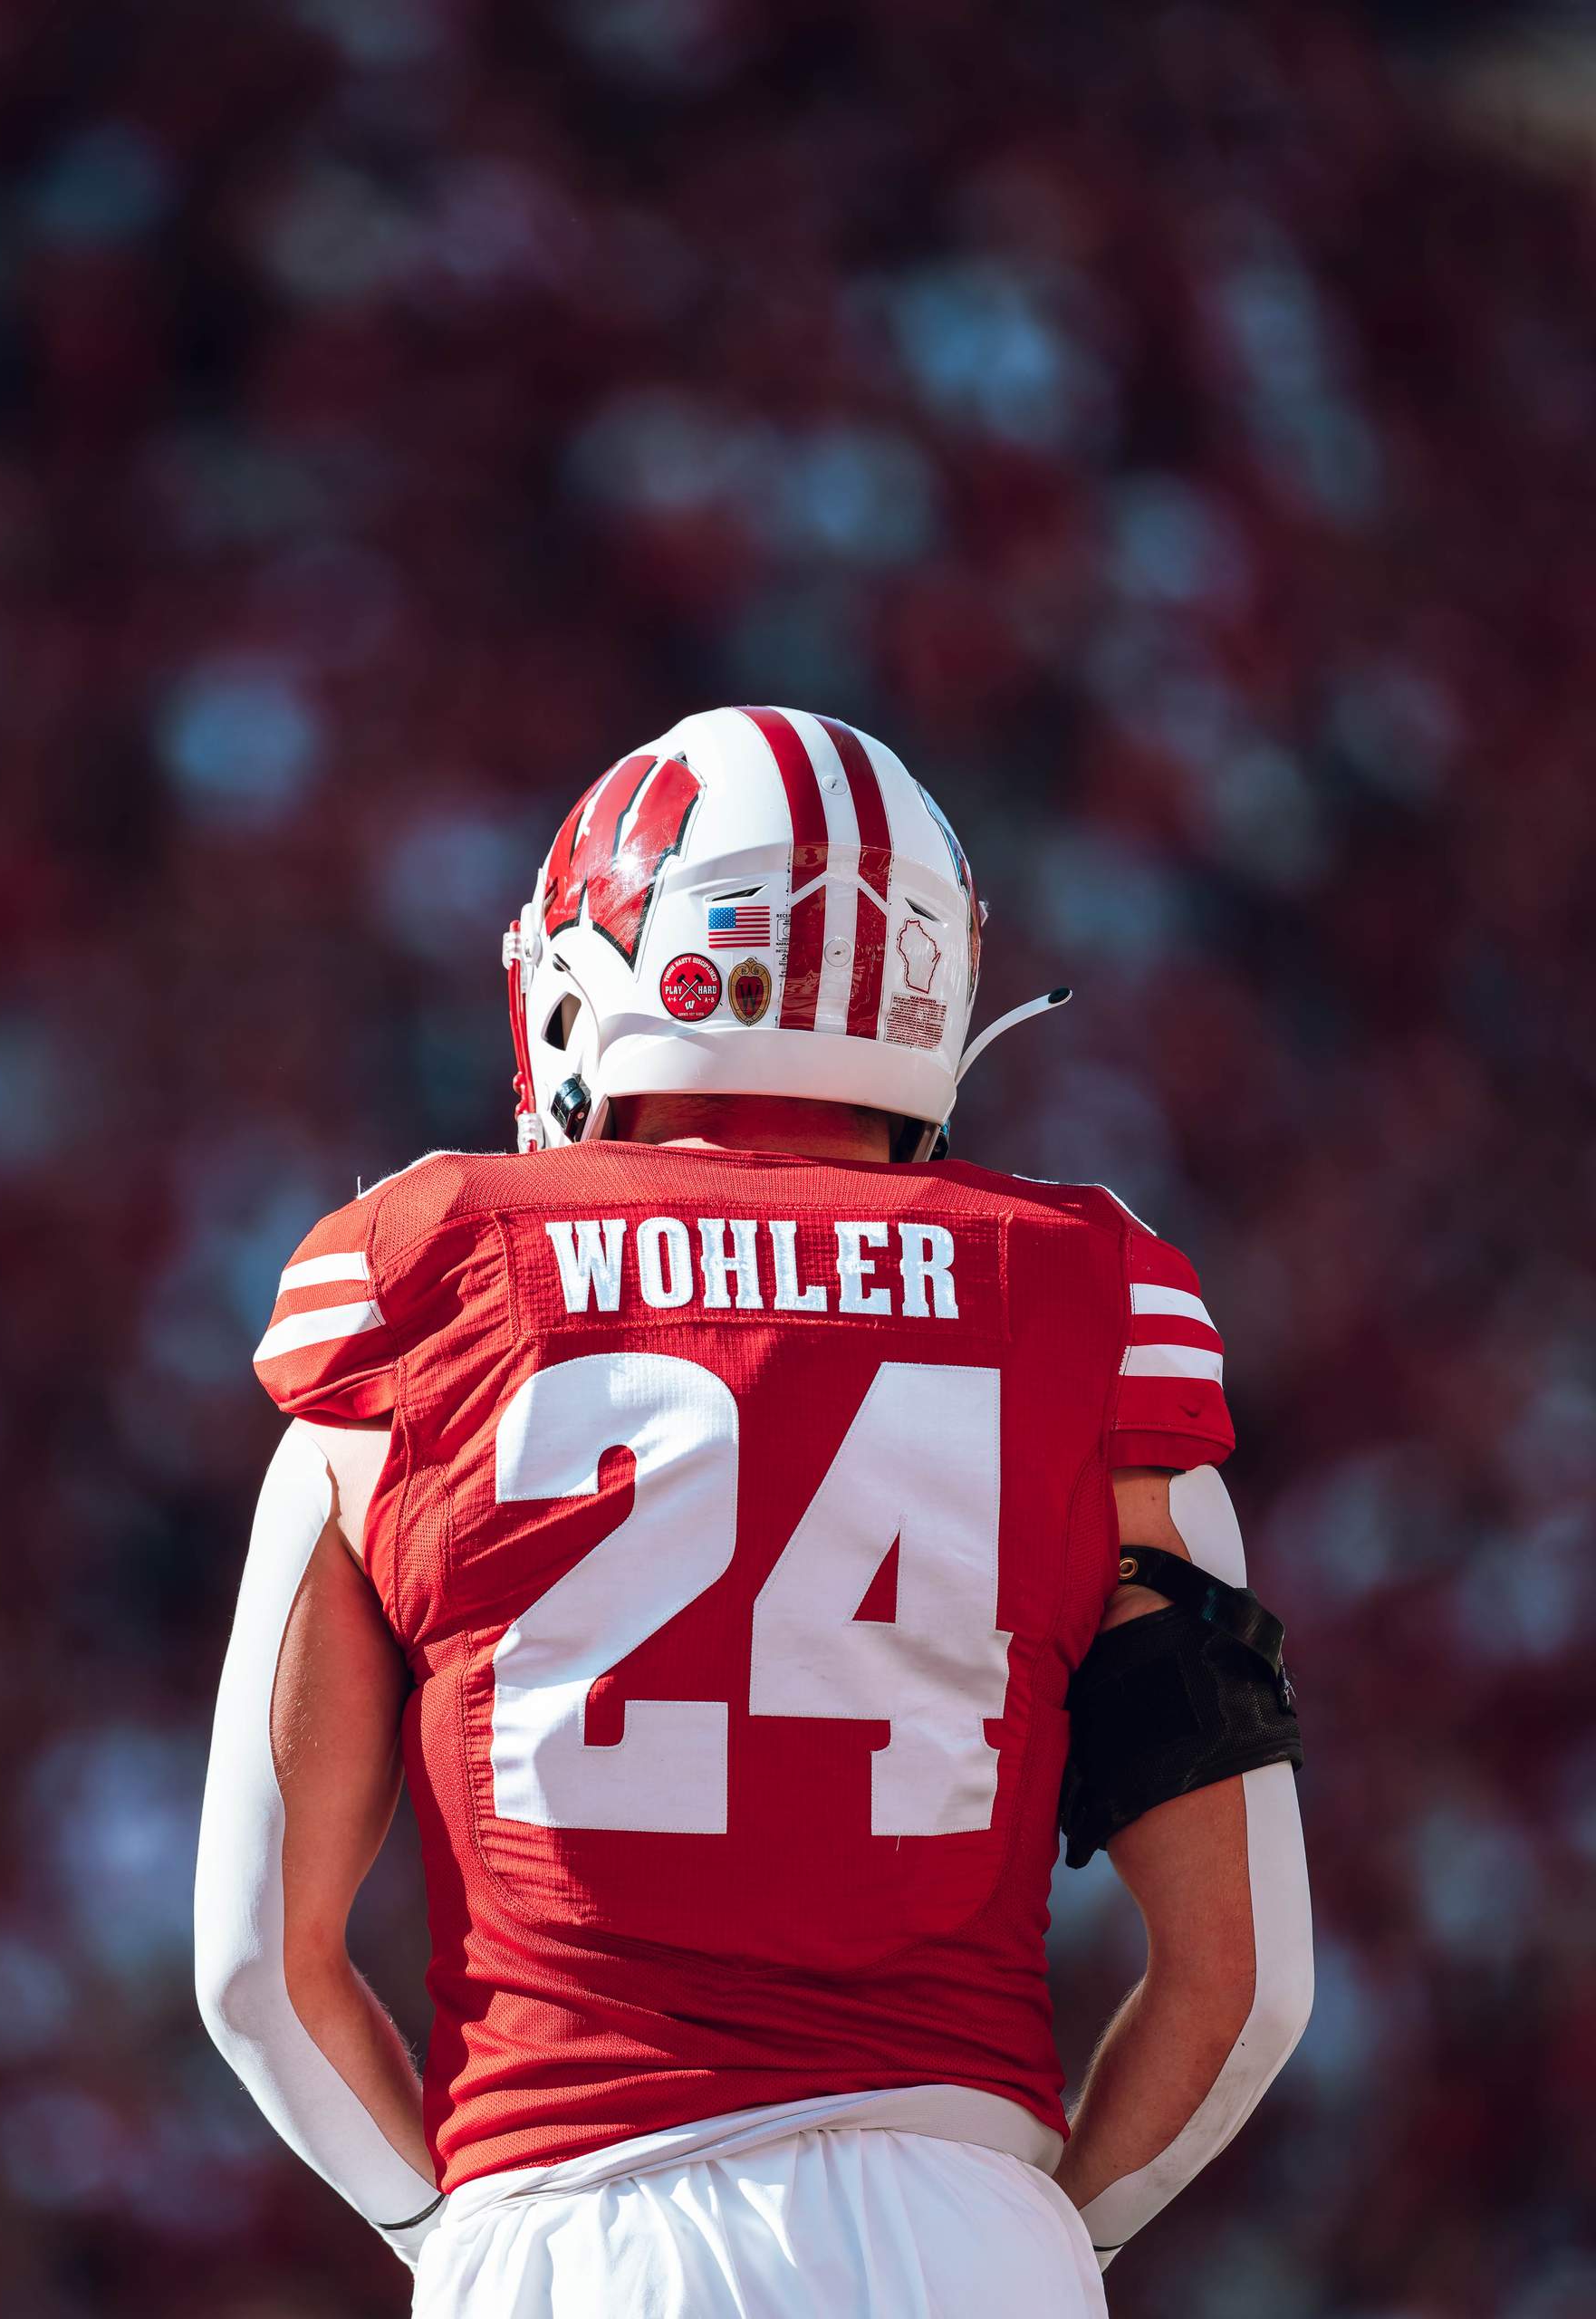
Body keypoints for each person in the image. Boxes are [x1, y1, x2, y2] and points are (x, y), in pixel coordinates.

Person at [194, 705, 1313, 2317]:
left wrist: (454, 2249)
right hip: (966, 2228)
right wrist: (1048, 2245)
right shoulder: (1089, 1301)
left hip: (568, 2229)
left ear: (598, 970)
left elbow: (254, 1971)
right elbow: (1248, 1984)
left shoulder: (419, 1288)